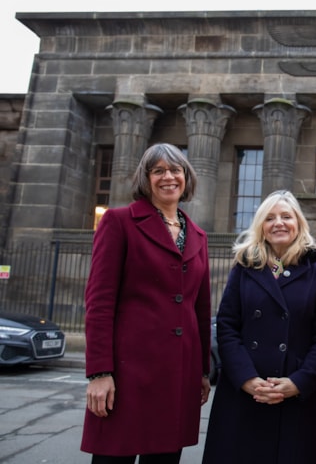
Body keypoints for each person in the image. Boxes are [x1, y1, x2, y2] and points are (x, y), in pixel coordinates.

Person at [81, 143, 212, 463]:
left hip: (178, 374)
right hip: (127, 373)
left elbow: (201, 308)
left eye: (175, 170)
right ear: (146, 178)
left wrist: (203, 372)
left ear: (186, 177)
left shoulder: (197, 235)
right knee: (115, 457)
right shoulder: (119, 222)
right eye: (158, 171)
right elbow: (99, 302)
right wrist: (99, 372)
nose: (168, 177)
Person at [202, 190, 316, 464]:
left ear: (298, 224)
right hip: (244, 393)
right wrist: (247, 379)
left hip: (293, 395)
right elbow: (227, 326)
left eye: (286, 217)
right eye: (270, 218)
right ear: (261, 226)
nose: (279, 223)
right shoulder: (244, 268)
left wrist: (299, 382)